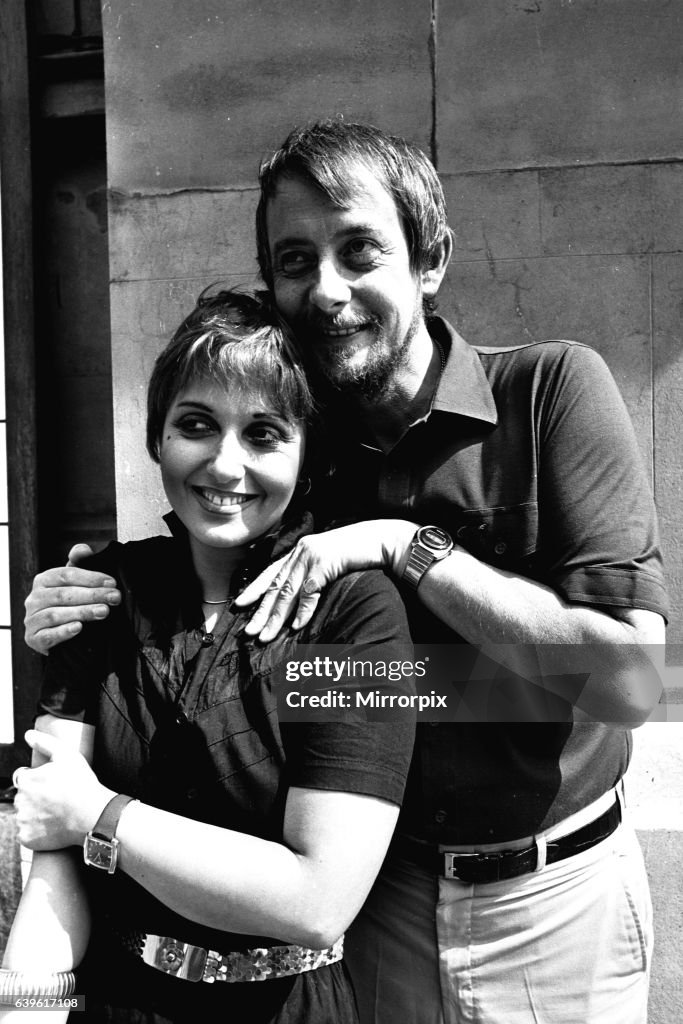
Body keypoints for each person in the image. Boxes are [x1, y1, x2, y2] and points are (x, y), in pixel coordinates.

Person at [23, 121, 667, 1024]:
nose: (326, 289)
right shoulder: (294, 444)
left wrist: (407, 551)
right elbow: (224, 657)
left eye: (359, 250)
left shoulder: (551, 391)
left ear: (429, 259)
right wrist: (91, 603)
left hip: (547, 898)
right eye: (295, 260)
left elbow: (632, 681)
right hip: (376, 904)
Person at [4, 289, 417, 1024]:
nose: (225, 464)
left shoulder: (359, 615)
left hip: (288, 1008)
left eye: (263, 434)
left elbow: (317, 901)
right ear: (157, 438)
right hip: (122, 1001)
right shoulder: (100, 592)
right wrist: (25, 1009)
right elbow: (53, 864)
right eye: (195, 425)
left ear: (307, 457)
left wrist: (100, 813)